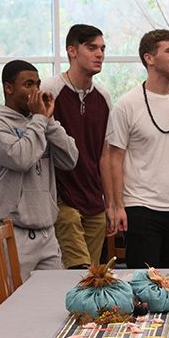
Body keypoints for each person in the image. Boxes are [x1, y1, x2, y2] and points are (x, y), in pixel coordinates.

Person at [106, 29, 169, 268]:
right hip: (141, 209)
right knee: (143, 288)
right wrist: (117, 206)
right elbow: (114, 159)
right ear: (149, 58)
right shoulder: (126, 105)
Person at [0, 60, 78, 283]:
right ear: (9, 88)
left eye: (37, 84)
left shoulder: (41, 121)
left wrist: (48, 120)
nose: (35, 91)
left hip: (47, 234)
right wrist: (39, 120)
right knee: (13, 308)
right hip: (14, 235)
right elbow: (22, 158)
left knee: (51, 305)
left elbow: (70, 159)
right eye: (28, 84)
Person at [43, 24, 112, 268]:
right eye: (92, 47)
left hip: (94, 200)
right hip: (63, 199)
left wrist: (110, 203)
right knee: (77, 270)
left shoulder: (103, 97)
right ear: (72, 51)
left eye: (102, 48)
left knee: (91, 276)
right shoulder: (51, 90)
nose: (99, 54)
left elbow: (104, 155)